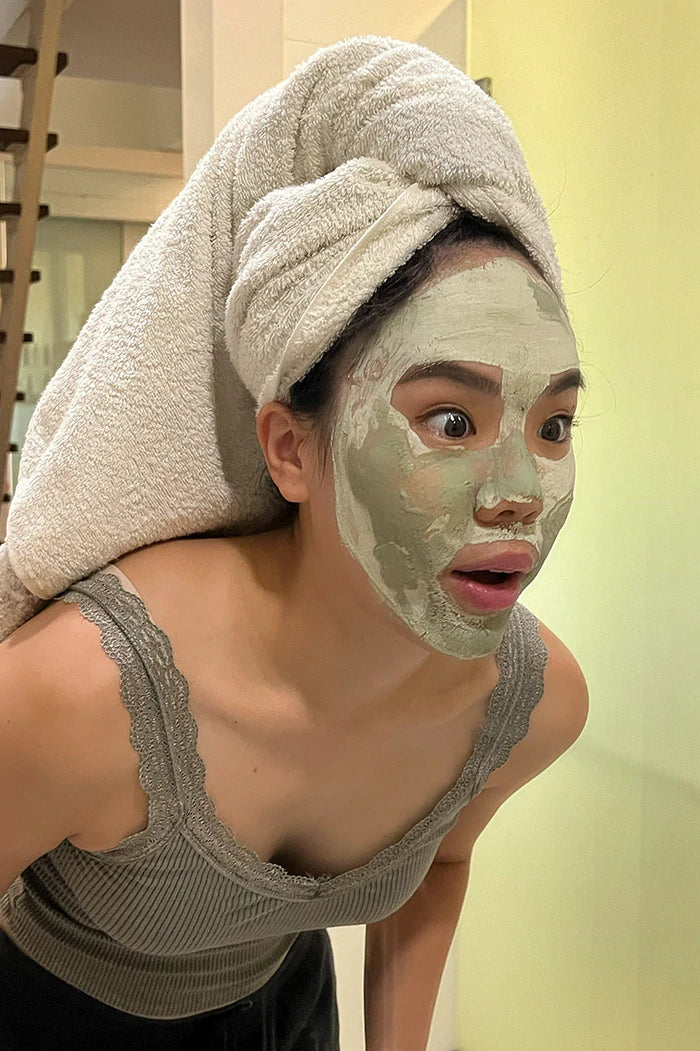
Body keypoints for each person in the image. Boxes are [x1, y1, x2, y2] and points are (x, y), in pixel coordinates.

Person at [0, 39, 589, 1051]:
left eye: (554, 425)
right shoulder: (84, 693)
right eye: (450, 421)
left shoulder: (525, 708)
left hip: (286, 1013)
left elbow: (440, 861)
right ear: (288, 448)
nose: (519, 495)